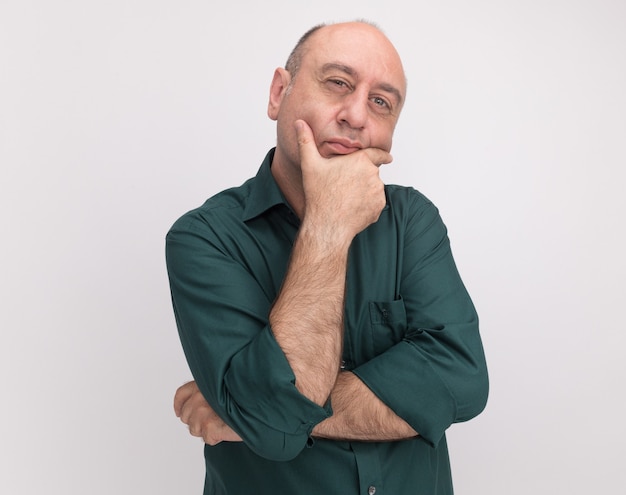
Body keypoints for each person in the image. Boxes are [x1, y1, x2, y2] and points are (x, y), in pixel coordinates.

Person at [166, 20, 488, 495]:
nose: (357, 115)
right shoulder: (205, 237)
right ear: (279, 92)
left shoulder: (412, 220)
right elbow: (273, 423)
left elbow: (462, 381)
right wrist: (329, 224)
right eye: (337, 82)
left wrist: (245, 414)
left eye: (381, 102)